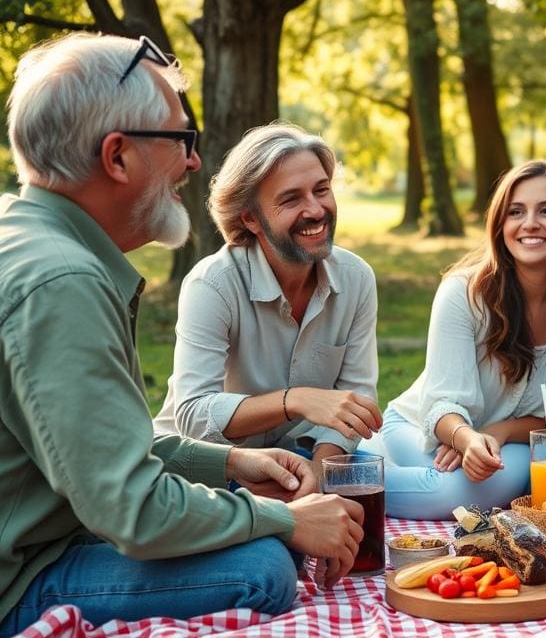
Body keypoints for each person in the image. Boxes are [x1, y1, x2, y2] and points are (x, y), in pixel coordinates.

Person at [0, 33, 364, 634]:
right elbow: (134, 508)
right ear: (117, 157)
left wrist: (230, 462)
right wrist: (279, 518)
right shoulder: (61, 281)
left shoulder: (38, 247)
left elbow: (103, 452)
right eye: (179, 140)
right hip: (21, 577)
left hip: (53, 533)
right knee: (265, 567)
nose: (194, 163)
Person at [377, 159, 546, 518]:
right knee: (450, 493)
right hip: (421, 427)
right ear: (500, 224)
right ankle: (351, 473)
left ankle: (371, 467)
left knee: (501, 484)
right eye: (515, 212)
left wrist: (499, 431)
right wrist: (465, 437)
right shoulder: (463, 293)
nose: (530, 224)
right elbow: (441, 404)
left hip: (507, 440)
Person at [153, 123, 382, 469]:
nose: (316, 210)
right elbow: (194, 415)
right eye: (291, 199)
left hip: (305, 460)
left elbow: (356, 399)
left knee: (381, 485)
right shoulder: (213, 284)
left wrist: (319, 478)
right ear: (250, 219)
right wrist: (297, 401)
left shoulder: (357, 278)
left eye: (321, 190)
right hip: (206, 469)